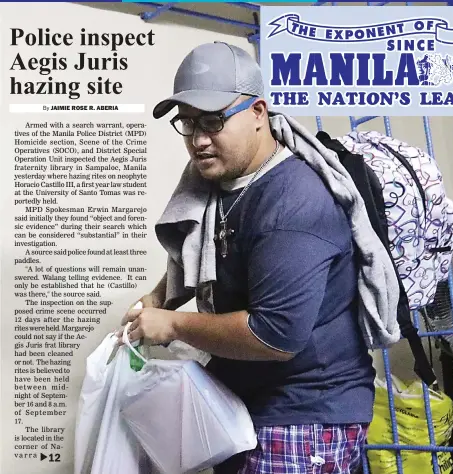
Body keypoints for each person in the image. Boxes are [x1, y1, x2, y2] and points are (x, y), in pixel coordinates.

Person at [117, 41, 376, 474]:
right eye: (188, 123)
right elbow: (211, 254)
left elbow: (274, 335)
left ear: (258, 113)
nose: (198, 140)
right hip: (245, 407)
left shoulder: (292, 201)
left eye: (214, 121)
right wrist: (161, 298)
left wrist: (173, 324)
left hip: (304, 414)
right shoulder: (219, 184)